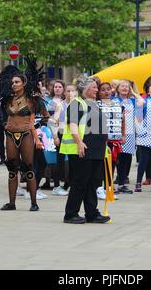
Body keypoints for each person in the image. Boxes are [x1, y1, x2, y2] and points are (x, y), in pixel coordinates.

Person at [61, 77, 110, 224]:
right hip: (83, 148)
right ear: (85, 88)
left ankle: (92, 213)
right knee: (80, 181)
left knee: (93, 182)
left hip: (96, 149)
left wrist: (105, 146)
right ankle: (70, 214)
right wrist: (79, 143)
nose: (97, 90)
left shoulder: (93, 104)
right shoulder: (77, 103)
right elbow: (73, 124)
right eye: (94, 87)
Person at [0, 62, 43, 211]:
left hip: (26, 136)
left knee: (29, 169)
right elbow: (3, 116)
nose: (14, 85)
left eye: (17, 82)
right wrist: (6, 124)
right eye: (12, 83)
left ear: (24, 83)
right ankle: (11, 203)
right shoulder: (7, 100)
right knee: (12, 169)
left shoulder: (32, 101)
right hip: (10, 135)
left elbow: (46, 116)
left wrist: (36, 133)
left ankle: (34, 203)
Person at [113, 80, 144, 193]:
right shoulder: (114, 100)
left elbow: (142, 102)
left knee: (126, 160)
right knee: (118, 160)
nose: (125, 88)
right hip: (118, 133)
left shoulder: (132, 101)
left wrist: (134, 93)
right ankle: (115, 184)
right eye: (122, 86)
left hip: (131, 134)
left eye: (127, 87)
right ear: (118, 88)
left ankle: (122, 184)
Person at [97, 82, 125, 200]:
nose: (106, 92)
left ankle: (108, 188)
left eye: (108, 89)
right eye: (103, 90)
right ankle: (99, 188)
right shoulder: (96, 104)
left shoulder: (117, 104)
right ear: (99, 92)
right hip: (101, 140)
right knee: (100, 165)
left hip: (115, 139)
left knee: (112, 164)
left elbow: (123, 120)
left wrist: (123, 135)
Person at [135, 80, 151, 192]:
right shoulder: (144, 101)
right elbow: (138, 117)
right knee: (143, 159)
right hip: (145, 133)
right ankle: (138, 182)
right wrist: (140, 130)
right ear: (148, 90)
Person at [51, 83, 77, 195]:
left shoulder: (77, 105)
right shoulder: (60, 105)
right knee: (60, 161)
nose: (70, 93)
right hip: (61, 134)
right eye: (68, 91)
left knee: (72, 162)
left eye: (72, 91)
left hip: (73, 135)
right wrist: (55, 136)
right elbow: (54, 123)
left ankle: (68, 184)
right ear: (64, 92)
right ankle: (56, 186)